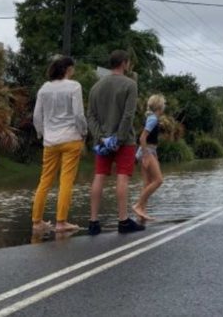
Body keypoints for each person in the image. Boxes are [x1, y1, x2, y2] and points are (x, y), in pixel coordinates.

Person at [86, 50, 145, 234]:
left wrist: (102, 137)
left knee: (99, 175)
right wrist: (118, 140)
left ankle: (93, 222)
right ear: (124, 63)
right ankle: (123, 221)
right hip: (125, 140)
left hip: (102, 141)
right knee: (122, 177)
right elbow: (128, 115)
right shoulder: (130, 85)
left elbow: (91, 116)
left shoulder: (96, 87)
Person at [31, 56, 87, 233]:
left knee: (45, 181)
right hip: (71, 138)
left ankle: (37, 221)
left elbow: (36, 117)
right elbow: (78, 114)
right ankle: (61, 222)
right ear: (68, 69)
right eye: (73, 68)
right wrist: (83, 131)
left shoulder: (44, 89)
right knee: (66, 181)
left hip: (50, 141)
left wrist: (42, 133)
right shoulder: (74, 86)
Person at [132, 94, 165, 223]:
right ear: (160, 107)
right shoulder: (153, 119)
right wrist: (146, 155)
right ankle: (138, 205)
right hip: (147, 151)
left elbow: (149, 139)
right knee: (158, 181)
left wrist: (154, 155)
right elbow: (142, 138)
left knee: (147, 183)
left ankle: (142, 213)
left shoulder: (151, 118)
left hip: (149, 151)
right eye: (163, 105)